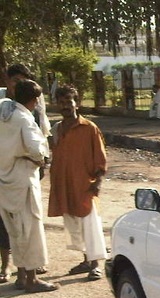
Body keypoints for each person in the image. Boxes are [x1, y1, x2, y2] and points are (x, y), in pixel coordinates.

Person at [0, 80, 57, 293]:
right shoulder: (24, 118)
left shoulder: (3, 111)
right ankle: (32, 279)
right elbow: (36, 149)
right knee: (30, 230)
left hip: (4, 181)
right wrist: (40, 160)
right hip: (23, 180)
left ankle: (21, 275)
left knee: (14, 230)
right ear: (34, 100)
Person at [48, 85, 108, 281]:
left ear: (77, 103)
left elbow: (100, 157)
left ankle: (95, 264)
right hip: (65, 184)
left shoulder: (89, 128)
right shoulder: (56, 130)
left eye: (69, 101)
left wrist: (97, 181)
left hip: (85, 184)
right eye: (62, 102)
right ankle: (85, 259)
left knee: (90, 223)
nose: (66, 106)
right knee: (73, 223)